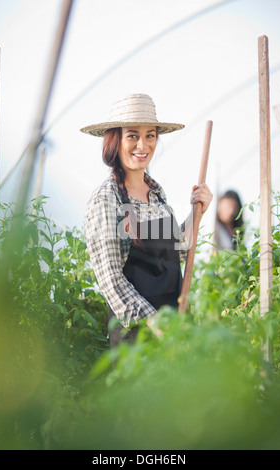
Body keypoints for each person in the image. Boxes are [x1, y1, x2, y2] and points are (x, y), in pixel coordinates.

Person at [82, 93, 213, 347]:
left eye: (150, 135)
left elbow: (178, 251)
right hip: (136, 339)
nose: (143, 145)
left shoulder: (156, 194)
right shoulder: (108, 199)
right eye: (133, 135)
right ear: (115, 140)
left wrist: (197, 213)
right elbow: (111, 280)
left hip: (173, 330)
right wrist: (155, 322)